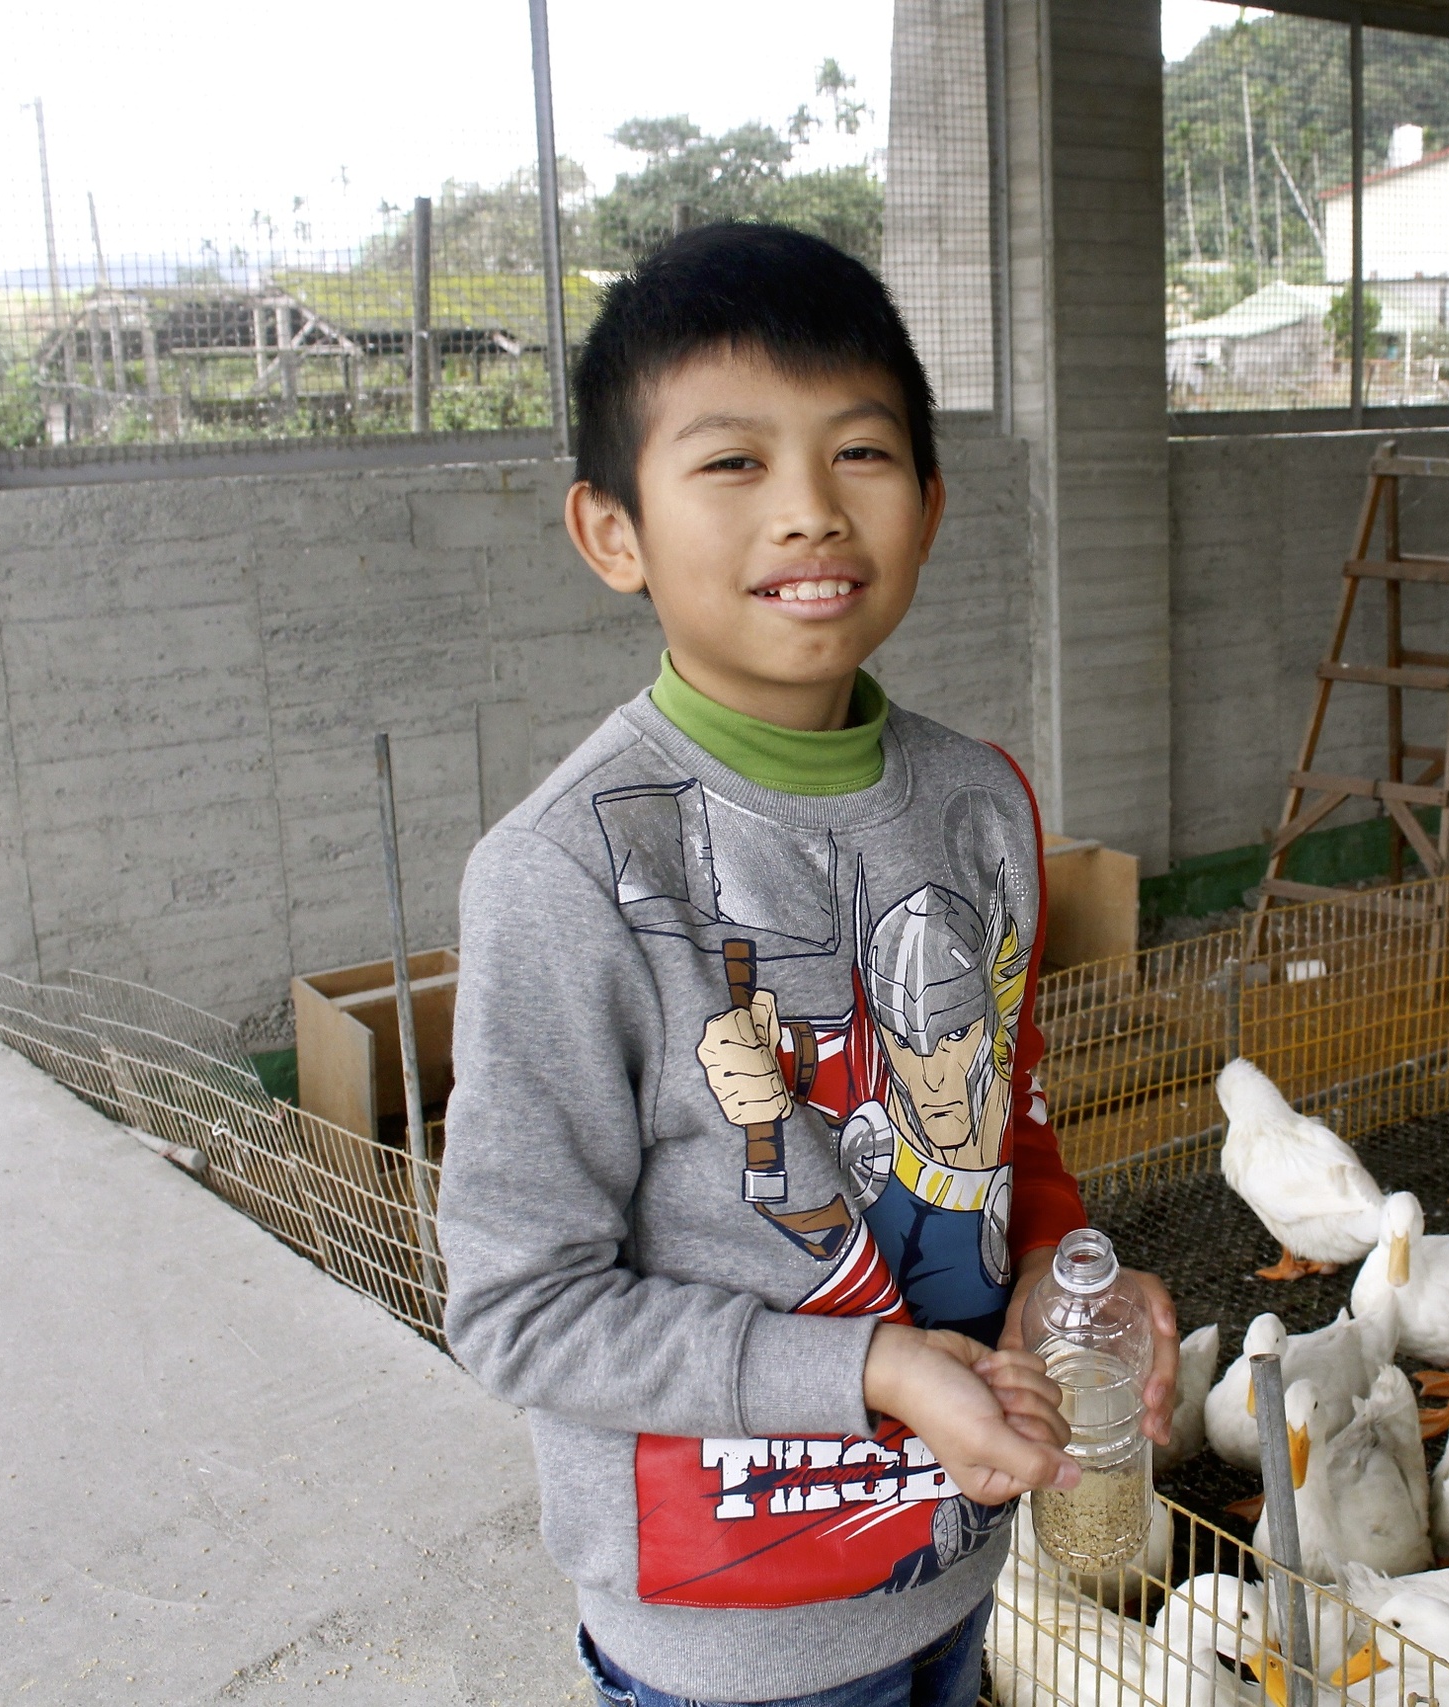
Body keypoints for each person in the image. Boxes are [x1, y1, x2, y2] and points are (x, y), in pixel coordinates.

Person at [437, 222, 1182, 1707]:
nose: (809, 514)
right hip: (728, 1636)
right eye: (732, 464)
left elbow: (1000, 1126)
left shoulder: (979, 806)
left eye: (859, 454)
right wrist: (867, 1376)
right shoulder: (567, 875)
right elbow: (519, 1309)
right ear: (613, 532)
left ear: (931, 500)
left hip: (958, 1561)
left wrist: (1052, 1272)